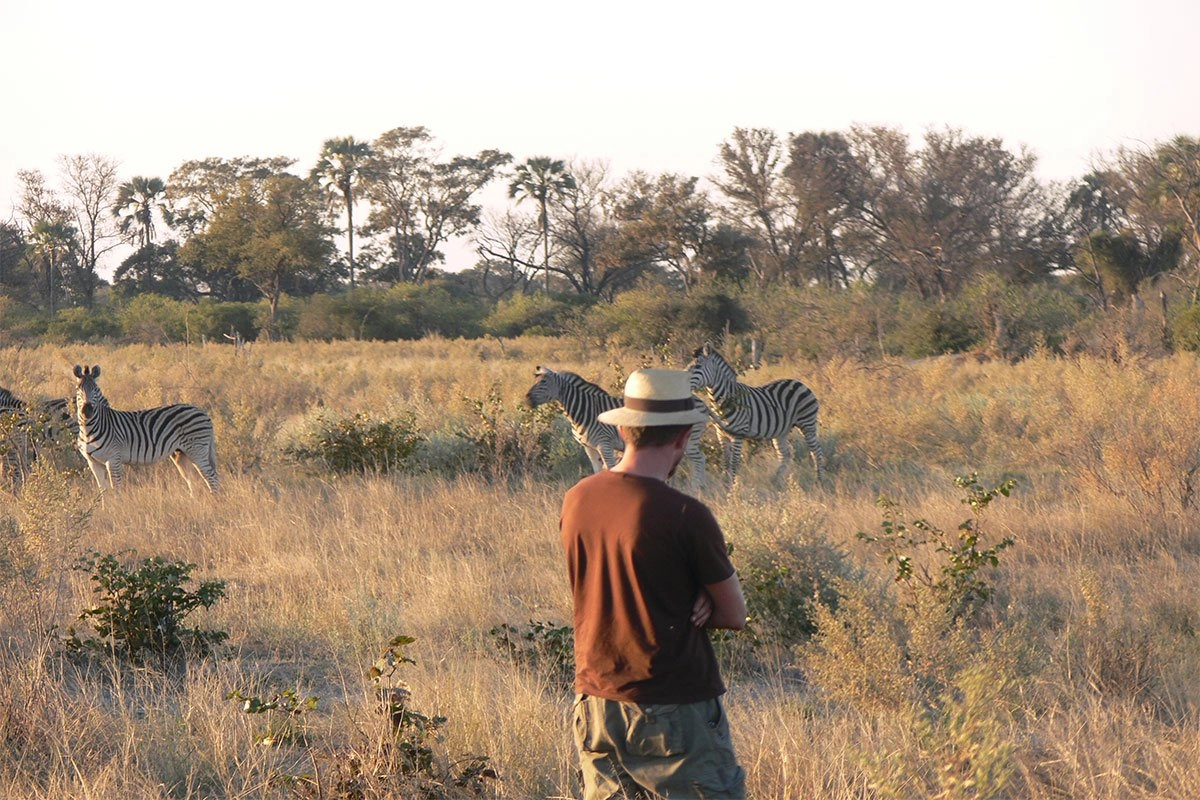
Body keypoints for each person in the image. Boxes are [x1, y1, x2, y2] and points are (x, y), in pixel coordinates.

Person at [559, 368, 747, 799]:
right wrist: (701, 594)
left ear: (624, 429)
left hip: (596, 702)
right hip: (675, 705)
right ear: (683, 436)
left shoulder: (579, 498)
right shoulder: (685, 514)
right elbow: (733, 614)